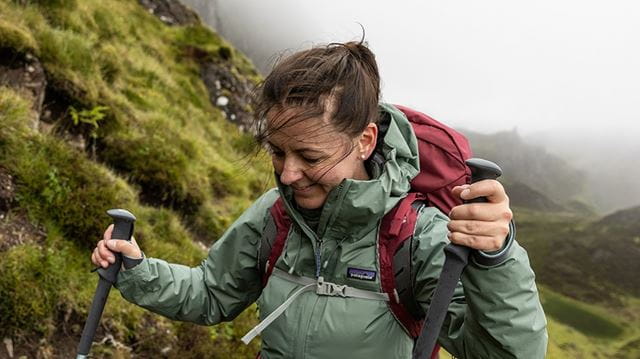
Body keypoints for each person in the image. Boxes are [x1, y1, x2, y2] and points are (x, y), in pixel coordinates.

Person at [91, 41, 547, 358]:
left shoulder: (416, 238)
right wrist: (136, 269)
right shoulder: (276, 216)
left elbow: (504, 354)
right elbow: (211, 293)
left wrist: (497, 260)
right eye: (277, 151)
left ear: (365, 140)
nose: (289, 174)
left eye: (309, 156)